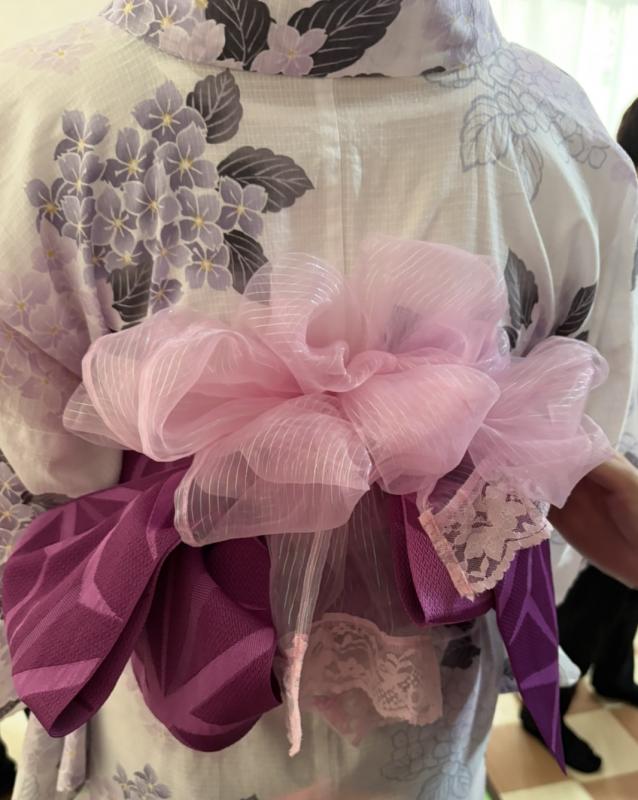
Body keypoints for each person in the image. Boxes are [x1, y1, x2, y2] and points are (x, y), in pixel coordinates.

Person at [0, 3, 637, 799]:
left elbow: (40, 487)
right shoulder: (563, 133)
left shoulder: (35, 116)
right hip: (431, 705)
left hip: (165, 700)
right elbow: (576, 442)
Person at [521, 95, 638, 774]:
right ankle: (548, 714)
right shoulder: (612, 221)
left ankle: (615, 672)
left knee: (625, 589)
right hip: (610, 435)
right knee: (594, 585)